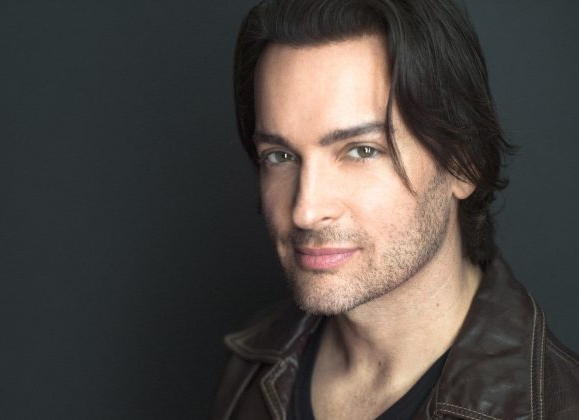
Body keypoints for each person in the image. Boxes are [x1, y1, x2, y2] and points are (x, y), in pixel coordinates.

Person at [211, 0, 579, 419]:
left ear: (464, 164)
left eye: (361, 151)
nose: (306, 211)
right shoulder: (252, 365)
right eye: (280, 156)